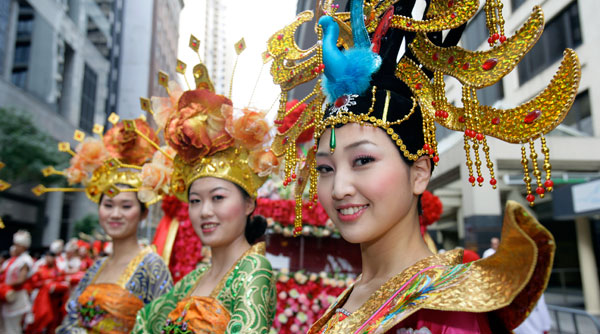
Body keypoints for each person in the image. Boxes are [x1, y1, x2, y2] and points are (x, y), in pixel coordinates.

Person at [266, 0, 580, 332]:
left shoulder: (447, 308)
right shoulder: (352, 295)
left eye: (363, 161)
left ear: (419, 173)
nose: (340, 188)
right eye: (325, 169)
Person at [132, 56, 278, 333]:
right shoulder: (193, 279)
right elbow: (143, 323)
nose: (205, 211)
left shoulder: (253, 271)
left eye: (218, 198)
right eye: (196, 201)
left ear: (248, 203)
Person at [34, 117, 174, 334]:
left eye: (126, 206)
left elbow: (163, 326)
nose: (115, 214)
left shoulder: (153, 267)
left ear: (143, 213)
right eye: (108, 205)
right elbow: (71, 318)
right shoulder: (95, 268)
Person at [1, 230, 34, 334]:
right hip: (5, 297)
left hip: (17, 297)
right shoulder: (12, 260)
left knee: (12, 328)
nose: (15, 247)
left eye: (18, 245)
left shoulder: (25, 260)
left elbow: (21, 280)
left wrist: (4, 285)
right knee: (3, 328)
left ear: (24, 247)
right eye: (15, 245)